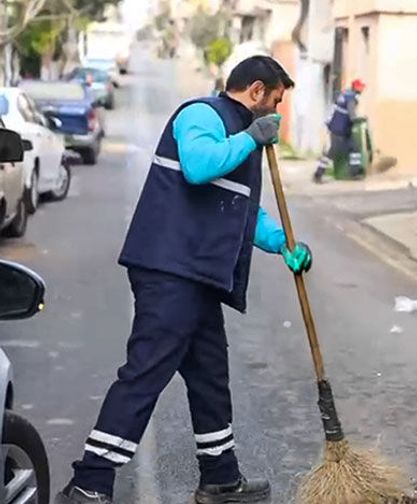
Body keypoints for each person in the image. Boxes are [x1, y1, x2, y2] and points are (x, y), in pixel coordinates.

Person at [55, 55, 313, 504]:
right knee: (146, 373)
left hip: (198, 276)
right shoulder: (202, 115)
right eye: (274, 101)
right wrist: (251, 138)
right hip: (169, 269)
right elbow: (198, 166)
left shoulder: (243, 141)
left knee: (210, 375)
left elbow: (240, 210)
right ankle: (88, 483)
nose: (276, 113)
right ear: (255, 91)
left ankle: (220, 477)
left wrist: (283, 244)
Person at [312, 78, 366, 183]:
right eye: (361, 87)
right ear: (357, 88)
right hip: (340, 129)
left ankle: (354, 172)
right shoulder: (351, 98)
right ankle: (318, 174)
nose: (362, 89)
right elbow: (352, 116)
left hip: (339, 128)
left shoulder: (344, 94)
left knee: (354, 148)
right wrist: (361, 119)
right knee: (332, 152)